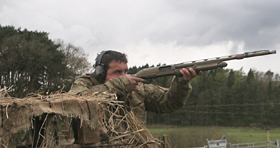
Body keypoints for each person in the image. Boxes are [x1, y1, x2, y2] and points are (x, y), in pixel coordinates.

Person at [69, 50, 199, 126]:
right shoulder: (86, 83)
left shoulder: (135, 90)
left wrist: (181, 83)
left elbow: (168, 103)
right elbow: (74, 101)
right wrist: (120, 84)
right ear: (100, 73)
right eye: (117, 72)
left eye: (126, 71)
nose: (124, 76)